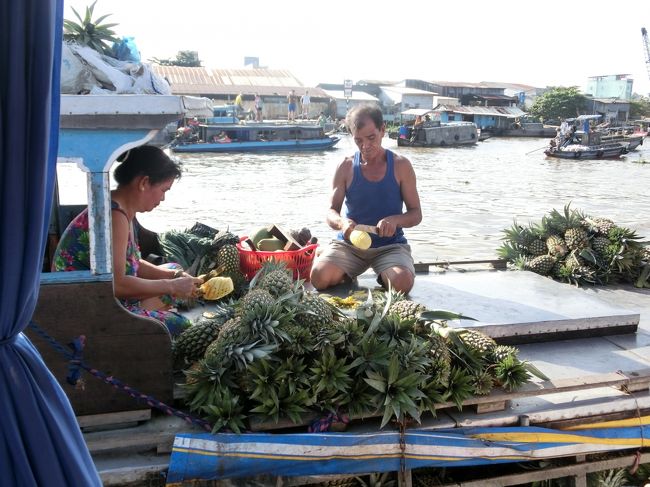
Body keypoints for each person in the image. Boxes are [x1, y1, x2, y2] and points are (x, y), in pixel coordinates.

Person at [52, 145, 202, 336]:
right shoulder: (115, 217)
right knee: (181, 325)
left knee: (172, 269)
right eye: (164, 190)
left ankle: (149, 310)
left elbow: (133, 262)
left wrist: (175, 277)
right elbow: (118, 284)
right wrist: (172, 285)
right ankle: (148, 315)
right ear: (144, 183)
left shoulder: (121, 208)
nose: (163, 198)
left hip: (103, 295)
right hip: (90, 309)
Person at [310, 104, 422, 294]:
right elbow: (331, 212)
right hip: (350, 245)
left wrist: (395, 220)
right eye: (358, 140)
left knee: (402, 283)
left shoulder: (401, 166)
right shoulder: (345, 167)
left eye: (371, 138)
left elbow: (416, 214)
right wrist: (342, 223)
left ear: (383, 130)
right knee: (318, 278)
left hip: (390, 246)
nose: (366, 146)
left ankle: (383, 273)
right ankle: (345, 271)